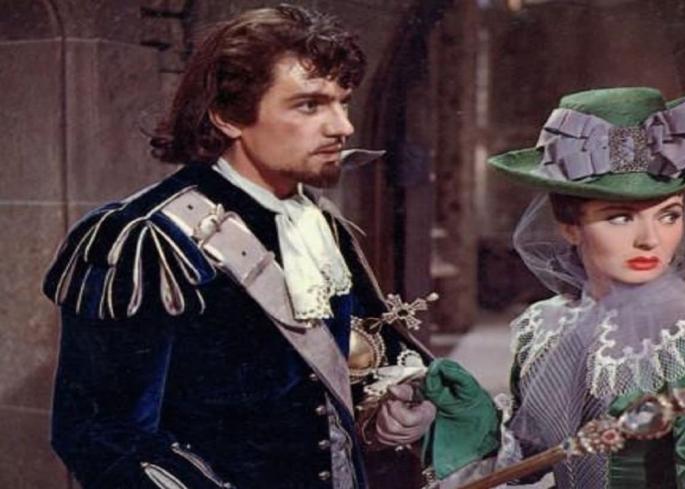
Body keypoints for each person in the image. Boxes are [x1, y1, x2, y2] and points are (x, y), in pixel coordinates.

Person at [43, 5, 435, 488]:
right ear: (228, 116)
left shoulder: (319, 224)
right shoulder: (147, 240)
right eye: (309, 105)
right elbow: (100, 436)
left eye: (343, 102)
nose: (343, 127)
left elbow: (331, 377)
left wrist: (390, 408)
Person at [424, 87, 685, 488]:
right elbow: (530, 456)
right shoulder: (545, 327)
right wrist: (469, 416)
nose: (650, 240)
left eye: (669, 215)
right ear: (569, 226)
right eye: (620, 217)